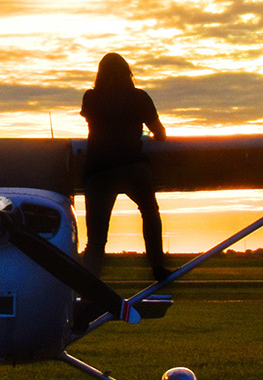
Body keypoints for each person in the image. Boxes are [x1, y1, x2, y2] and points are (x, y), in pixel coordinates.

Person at [79, 53, 170, 281]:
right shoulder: (139, 98)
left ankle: (90, 286)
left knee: (97, 239)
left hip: (98, 170)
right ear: (128, 73)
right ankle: (158, 266)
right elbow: (160, 134)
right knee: (149, 211)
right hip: (132, 166)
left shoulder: (91, 98)